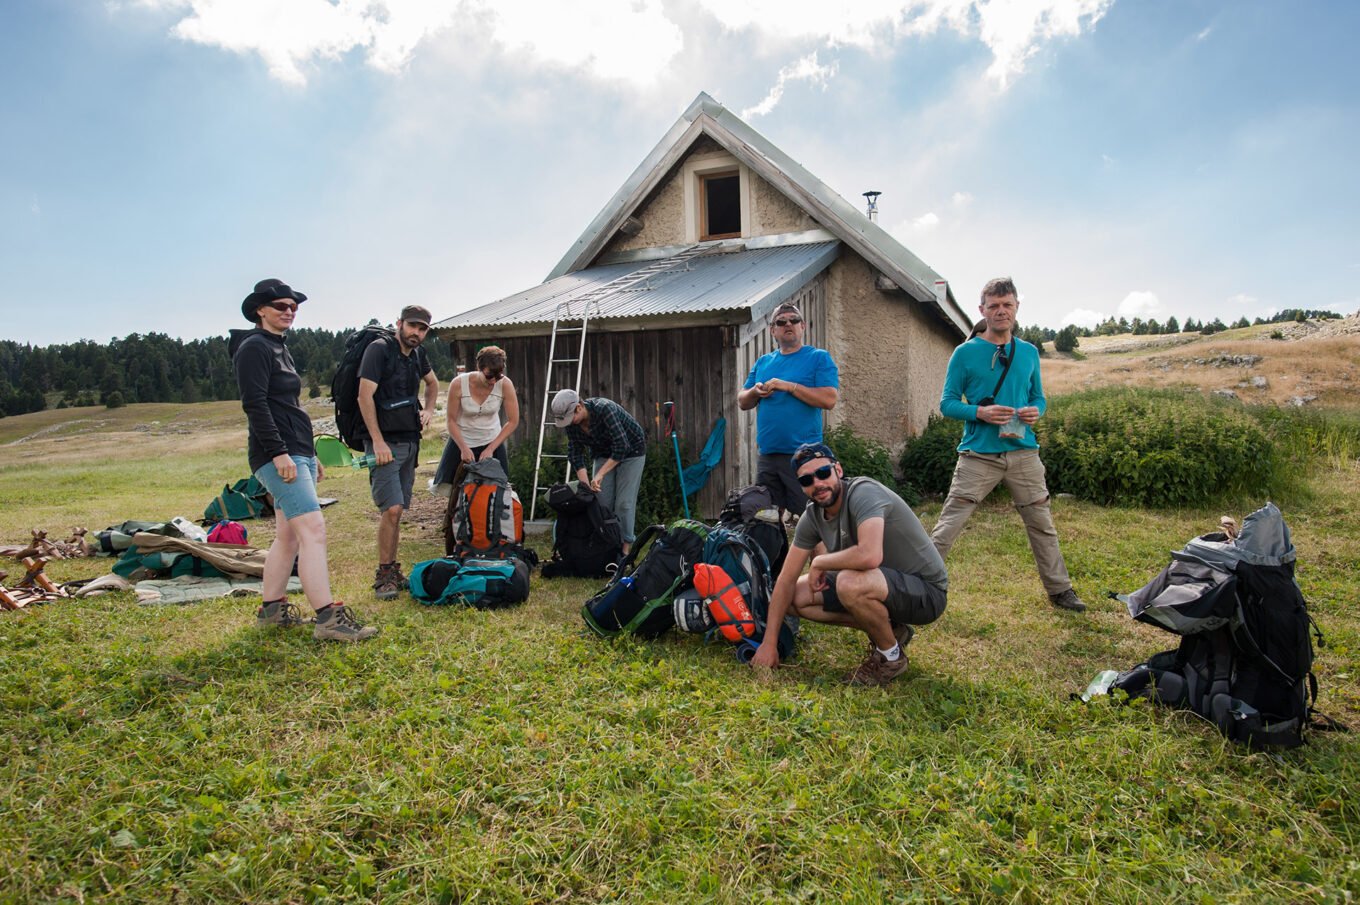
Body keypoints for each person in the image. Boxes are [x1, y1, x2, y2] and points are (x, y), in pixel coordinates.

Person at [230, 278, 377, 641]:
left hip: (297, 450)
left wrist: (310, 454)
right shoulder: (253, 347)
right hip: (276, 453)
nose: (289, 311)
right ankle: (329, 620)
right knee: (313, 530)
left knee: (289, 536)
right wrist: (279, 453)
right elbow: (256, 405)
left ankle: (273, 610)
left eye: (293, 306)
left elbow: (289, 406)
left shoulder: (279, 346)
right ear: (259, 310)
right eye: (280, 306)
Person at [930, 277, 1086, 612]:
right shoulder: (965, 353)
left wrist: (1035, 412)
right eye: (994, 306)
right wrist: (980, 412)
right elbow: (947, 404)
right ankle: (919, 583)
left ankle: (1060, 590)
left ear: (1016, 308)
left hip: (1024, 453)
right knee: (949, 523)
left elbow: (1039, 398)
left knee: (1042, 524)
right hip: (977, 455)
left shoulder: (1028, 352)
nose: (1001, 311)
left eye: (1007, 305)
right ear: (982, 310)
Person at [750, 442, 948, 685]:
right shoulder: (812, 516)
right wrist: (769, 644)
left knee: (848, 582)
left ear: (838, 470)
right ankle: (891, 629)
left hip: (926, 592)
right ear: (802, 487)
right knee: (795, 597)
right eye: (807, 480)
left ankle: (891, 658)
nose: (818, 483)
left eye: (823, 473)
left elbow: (869, 555)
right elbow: (785, 580)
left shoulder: (863, 493)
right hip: (880, 586)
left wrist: (820, 561)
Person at [356, 304, 440, 600]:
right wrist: (377, 441)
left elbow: (432, 384)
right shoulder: (379, 350)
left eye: (423, 329)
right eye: (412, 326)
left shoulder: (418, 354)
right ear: (399, 323)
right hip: (384, 444)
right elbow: (364, 396)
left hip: (409, 441)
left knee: (398, 509)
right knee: (390, 509)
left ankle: (392, 568)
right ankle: (383, 575)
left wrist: (429, 409)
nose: (417, 333)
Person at [737, 301, 839, 521]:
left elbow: (829, 399)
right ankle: (779, 556)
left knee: (812, 519)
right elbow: (742, 401)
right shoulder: (763, 362)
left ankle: (821, 557)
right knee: (767, 520)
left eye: (793, 320)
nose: (788, 324)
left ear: (803, 326)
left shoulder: (818, 358)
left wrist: (790, 386)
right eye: (781, 322)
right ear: (773, 330)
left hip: (803, 455)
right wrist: (755, 391)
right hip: (768, 456)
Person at [550, 389, 646, 553]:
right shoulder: (572, 425)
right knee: (601, 502)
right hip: (603, 453)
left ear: (579, 407)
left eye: (570, 417)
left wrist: (600, 474)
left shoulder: (604, 409)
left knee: (624, 504)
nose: (569, 422)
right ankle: (607, 544)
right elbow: (575, 454)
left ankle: (624, 549)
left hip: (632, 451)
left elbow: (622, 446)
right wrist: (586, 487)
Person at [441, 345, 520, 475]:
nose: (494, 381)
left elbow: (513, 421)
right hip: (462, 441)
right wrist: (463, 448)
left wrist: (491, 449)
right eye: (489, 376)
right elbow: (450, 421)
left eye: (498, 376)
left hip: (491, 440)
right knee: (451, 487)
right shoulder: (458, 384)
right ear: (479, 368)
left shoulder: (505, 384)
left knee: (500, 487)